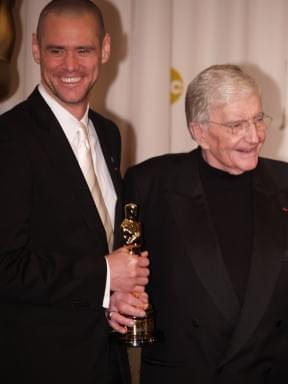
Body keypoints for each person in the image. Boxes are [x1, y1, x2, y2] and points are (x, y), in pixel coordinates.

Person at [108, 64, 288, 383]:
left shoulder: (285, 182)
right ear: (199, 131)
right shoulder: (150, 184)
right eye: (237, 125)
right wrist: (117, 299)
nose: (255, 136)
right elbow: (122, 280)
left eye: (259, 119)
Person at [0, 1, 149, 383]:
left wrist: (111, 299)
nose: (70, 65)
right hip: (37, 366)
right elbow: (6, 266)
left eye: (83, 50)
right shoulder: (10, 138)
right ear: (35, 49)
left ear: (105, 50)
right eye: (56, 50)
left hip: (106, 362)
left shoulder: (110, 132)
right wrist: (103, 273)